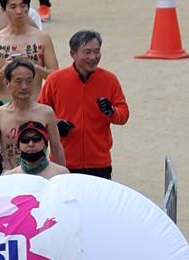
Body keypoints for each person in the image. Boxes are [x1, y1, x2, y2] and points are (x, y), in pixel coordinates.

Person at [41, 30, 128, 175]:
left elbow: (123, 115)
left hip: (99, 162)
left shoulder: (109, 80)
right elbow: (40, 113)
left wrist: (112, 111)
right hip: (63, 162)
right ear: (73, 54)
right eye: (87, 52)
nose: (93, 57)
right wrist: (55, 124)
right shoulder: (55, 80)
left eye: (97, 51)